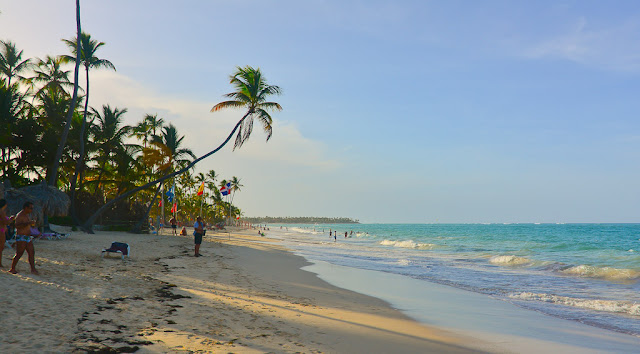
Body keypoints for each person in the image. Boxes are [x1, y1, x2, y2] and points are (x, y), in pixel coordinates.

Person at [9, 202, 38, 274]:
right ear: (26, 208)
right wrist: (28, 223)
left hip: (27, 237)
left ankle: (33, 269)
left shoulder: (26, 215)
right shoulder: (20, 215)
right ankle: (12, 268)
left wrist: (31, 224)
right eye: (31, 208)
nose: (32, 210)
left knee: (31, 252)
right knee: (19, 253)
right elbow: (17, 225)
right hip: (21, 236)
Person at [0, 199, 15, 268]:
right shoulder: (1, 211)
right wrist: (11, 220)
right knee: (1, 247)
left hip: (2, 229)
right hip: (1, 230)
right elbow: (5, 222)